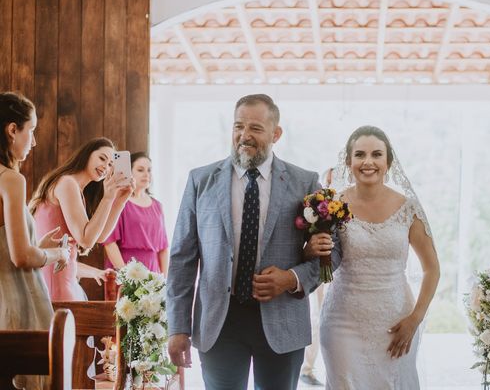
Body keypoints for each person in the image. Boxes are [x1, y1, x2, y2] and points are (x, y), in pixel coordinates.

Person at [167, 94, 321, 390]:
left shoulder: (305, 183)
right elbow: (182, 259)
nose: (244, 136)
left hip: (283, 321)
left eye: (256, 128)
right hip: (219, 322)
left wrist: (291, 278)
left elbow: (330, 253)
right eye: (238, 126)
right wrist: (178, 327)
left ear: (276, 134)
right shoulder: (201, 180)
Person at [305, 126, 440, 389]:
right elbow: (320, 257)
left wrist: (415, 319)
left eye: (377, 154)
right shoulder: (331, 205)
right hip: (342, 323)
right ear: (349, 162)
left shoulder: (408, 208)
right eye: (360, 155)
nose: (368, 162)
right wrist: (312, 248)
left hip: (396, 321)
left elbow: (432, 269)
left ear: (388, 161)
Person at [0, 92, 70, 390]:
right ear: (12, 129)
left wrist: (36, 244)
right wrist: (57, 254)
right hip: (13, 302)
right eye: (32, 130)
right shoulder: (11, 180)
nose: (35, 141)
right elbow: (21, 258)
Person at [30, 137, 134, 300]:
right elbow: (86, 240)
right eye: (102, 158)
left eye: (110, 165)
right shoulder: (67, 183)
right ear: (86, 154)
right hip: (55, 288)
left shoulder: (77, 191)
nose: (105, 167)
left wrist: (120, 201)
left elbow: (99, 237)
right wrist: (107, 198)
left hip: (63, 283)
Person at [103, 152, 169, 275]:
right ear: (129, 172)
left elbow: (163, 248)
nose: (146, 174)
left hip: (152, 271)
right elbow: (109, 243)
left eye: (149, 170)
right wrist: (126, 276)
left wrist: (165, 280)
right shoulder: (120, 203)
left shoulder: (158, 206)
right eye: (140, 170)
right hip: (125, 267)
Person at [299, 167, 333, 387]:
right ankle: (307, 367)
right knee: (317, 316)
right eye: (328, 179)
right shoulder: (318, 202)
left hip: (336, 269)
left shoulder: (342, 204)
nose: (330, 182)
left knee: (326, 318)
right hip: (321, 268)